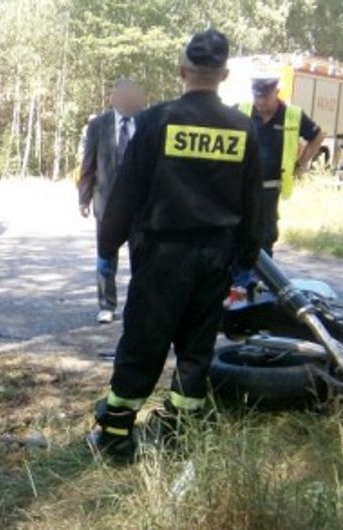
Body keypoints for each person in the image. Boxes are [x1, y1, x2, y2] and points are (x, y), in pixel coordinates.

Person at [88, 28, 263, 462]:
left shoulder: (156, 121)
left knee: (144, 343)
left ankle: (114, 436)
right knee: (196, 348)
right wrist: (247, 259)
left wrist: (107, 248)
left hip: (162, 256)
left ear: (182, 71)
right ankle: (178, 432)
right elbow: (254, 205)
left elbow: (126, 192)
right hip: (214, 259)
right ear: (223, 75)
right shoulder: (243, 128)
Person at [78, 78, 146, 324]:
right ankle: (106, 305)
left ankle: (139, 305)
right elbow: (88, 161)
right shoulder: (99, 124)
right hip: (106, 203)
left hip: (140, 205)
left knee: (142, 258)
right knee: (106, 256)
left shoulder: (147, 121)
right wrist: (83, 197)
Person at [240, 70, 326, 255]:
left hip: (269, 188)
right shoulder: (241, 110)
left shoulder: (291, 115)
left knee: (264, 237)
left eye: (265, 97)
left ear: (276, 92)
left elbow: (318, 136)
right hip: (241, 188)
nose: (260, 102)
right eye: (257, 96)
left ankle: (262, 281)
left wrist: (301, 164)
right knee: (238, 235)